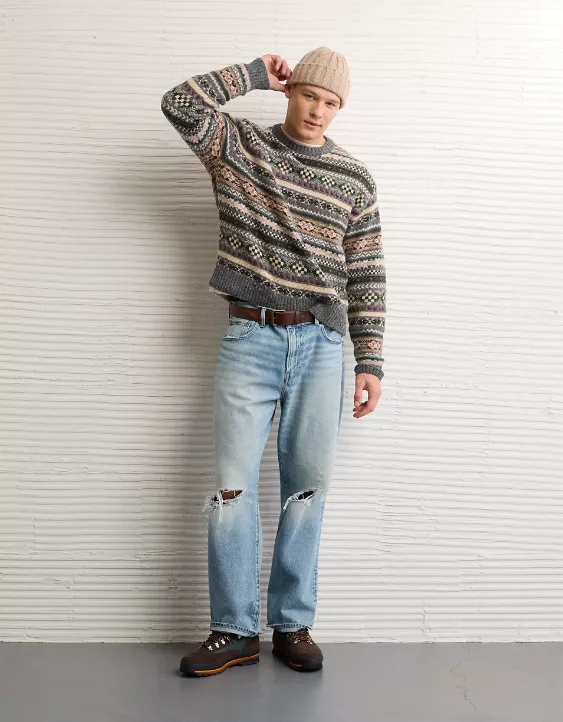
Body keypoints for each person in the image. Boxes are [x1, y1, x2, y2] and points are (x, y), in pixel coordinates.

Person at [161, 47, 386, 676]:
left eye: (331, 102)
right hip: (249, 336)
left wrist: (370, 361)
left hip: (322, 346)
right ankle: (233, 630)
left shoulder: (354, 178)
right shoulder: (239, 148)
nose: (318, 110)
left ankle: (292, 624)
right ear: (290, 91)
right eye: (310, 94)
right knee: (231, 489)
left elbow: (367, 273)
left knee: (307, 489)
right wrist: (253, 74)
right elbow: (179, 104)